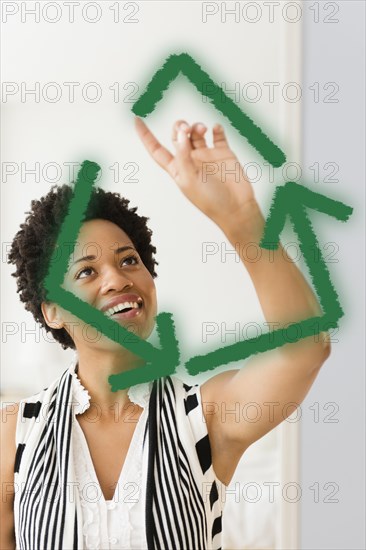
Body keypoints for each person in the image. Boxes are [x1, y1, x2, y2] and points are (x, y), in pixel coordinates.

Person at [0, 119, 331, 549]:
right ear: (53, 310)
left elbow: (305, 348)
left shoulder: (204, 418)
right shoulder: (14, 434)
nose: (116, 280)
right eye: (86, 271)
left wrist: (241, 219)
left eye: (129, 261)